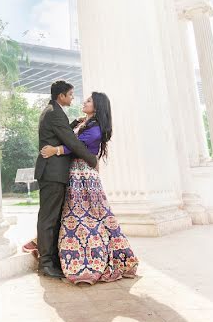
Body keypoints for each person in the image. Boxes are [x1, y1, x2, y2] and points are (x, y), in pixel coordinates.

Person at [39, 91, 138, 284]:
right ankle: (63, 257)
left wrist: (55, 150)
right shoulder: (80, 123)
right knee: (71, 215)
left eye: (89, 100)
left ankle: (90, 260)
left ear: (98, 106)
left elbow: (77, 146)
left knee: (90, 216)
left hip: (84, 176)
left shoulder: (96, 129)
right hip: (72, 172)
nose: (84, 102)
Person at [31, 81, 99, 279]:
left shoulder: (52, 111)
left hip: (52, 172)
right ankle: (46, 264)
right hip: (52, 173)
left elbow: (59, 136)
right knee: (49, 218)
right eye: (70, 95)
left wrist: (73, 124)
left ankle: (50, 261)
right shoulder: (55, 113)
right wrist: (92, 159)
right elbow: (70, 141)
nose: (72, 98)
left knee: (51, 218)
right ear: (61, 96)